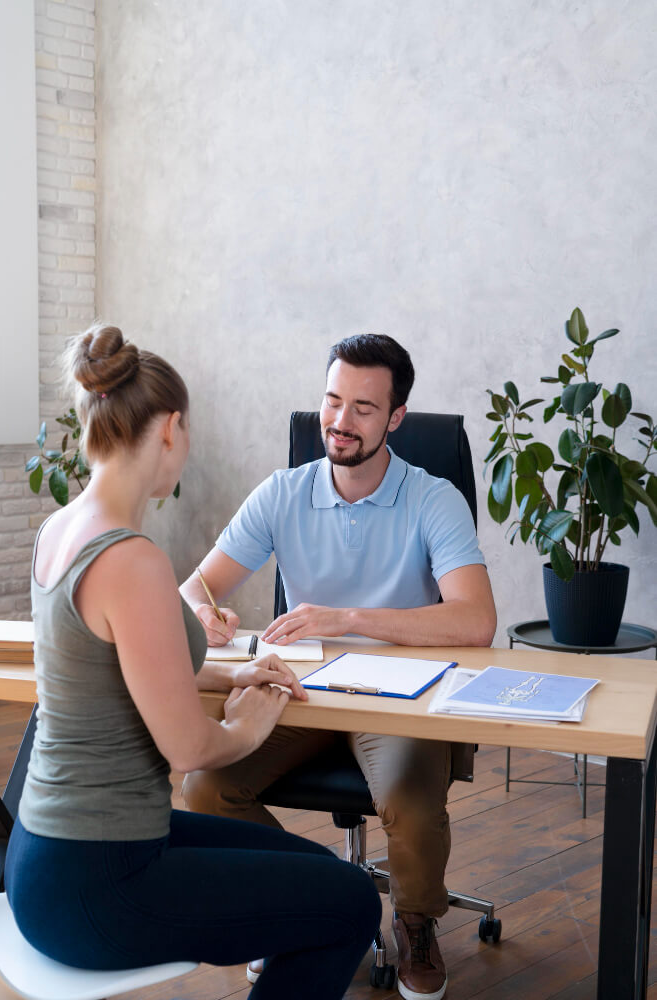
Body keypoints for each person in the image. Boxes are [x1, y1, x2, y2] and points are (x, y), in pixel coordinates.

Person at [5, 324, 381, 1000]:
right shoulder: (130, 558)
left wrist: (231, 673)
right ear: (172, 428)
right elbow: (189, 749)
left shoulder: (60, 528)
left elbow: (119, 663)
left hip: (53, 854)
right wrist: (251, 722)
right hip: (98, 883)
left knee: (320, 874)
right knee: (349, 904)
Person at [181, 333, 497, 1000]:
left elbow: (474, 620)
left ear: (395, 418)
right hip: (296, 690)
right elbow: (195, 586)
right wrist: (202, 614)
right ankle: (307, 899)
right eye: (331, 402)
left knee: (410, 798)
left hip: (396, 696)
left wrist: (348, 618)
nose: (339, 422)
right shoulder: (282, 492)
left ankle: (414, 923)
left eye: (361, 407)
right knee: (205, 784)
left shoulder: (432, 498)